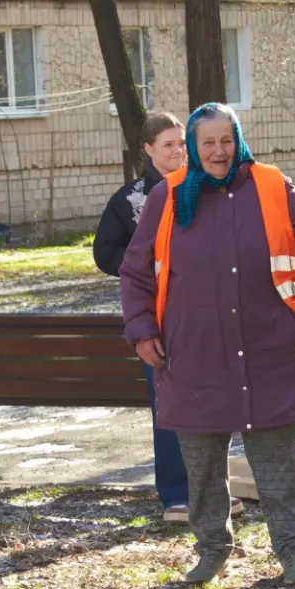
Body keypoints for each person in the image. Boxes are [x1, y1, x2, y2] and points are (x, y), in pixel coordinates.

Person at [118, 104, 295, 586]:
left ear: (238, 140)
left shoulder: (271, 185)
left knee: (278, 464)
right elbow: (136, 272)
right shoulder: (168, 196)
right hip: (191, 353)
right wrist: (141, 330)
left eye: (226, 140)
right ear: (193, 149)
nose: (218, 151)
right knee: (199, 467)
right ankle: (211, 550)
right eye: (207, 143)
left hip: (268, 348)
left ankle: (292, 551)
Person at [93, 112, 194, 521]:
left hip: (204, 313)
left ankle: (211, 488)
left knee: (209, 401)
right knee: (168, 405)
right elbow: (105, 254)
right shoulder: (130, 200)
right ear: (148, 150)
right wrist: (147, 266)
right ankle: (177, 494)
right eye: (167, 145)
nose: (177, 152)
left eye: (181, 143)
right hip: (155, 318)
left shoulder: (204, 187)